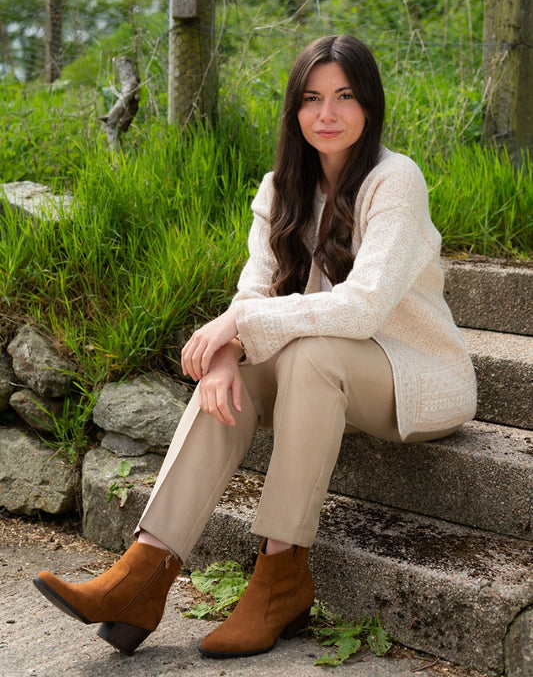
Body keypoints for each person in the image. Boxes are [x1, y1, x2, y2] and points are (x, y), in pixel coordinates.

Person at [33, 34, 477, 659]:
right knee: (265, 367)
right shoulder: (280, 186)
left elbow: (362, 306)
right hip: (322, 377)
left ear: (369, 106)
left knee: (308, 353)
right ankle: (143, 573)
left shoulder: (394, 179)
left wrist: (236, 332)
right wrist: (221, 360)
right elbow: (253, 291)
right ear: (294, 110)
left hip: (414, 375)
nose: (328, 114)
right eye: (312, 98)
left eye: (345, 97)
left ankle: (279, 577)